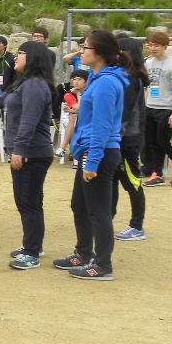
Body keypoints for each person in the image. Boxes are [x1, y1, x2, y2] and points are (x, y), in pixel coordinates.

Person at [0, 40, 57, 270]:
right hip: (28, 151)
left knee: (28, 201)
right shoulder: (24, 83)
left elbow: (29, 121)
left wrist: (19, 150)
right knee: (28, 201)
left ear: (32, 58)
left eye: (21, 53)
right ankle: (32, 245)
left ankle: (32, 252)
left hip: (32, 152)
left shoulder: (34, 85)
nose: (16, 57)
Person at [54, 30, 128, 280]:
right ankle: (83, 252)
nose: (81, 51)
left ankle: (103, 265)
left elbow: (102, 126)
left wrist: (92, 161)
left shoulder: (106, 83)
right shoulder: (97, 78)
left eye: (85, 47)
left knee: (98, 211)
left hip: (100, 152)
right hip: (90, 150)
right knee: (80, 205)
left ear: (99, 52)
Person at [113, 37, 148, 241]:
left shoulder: (131, 78)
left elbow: (123, 113)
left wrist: (114, 134)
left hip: (127, 140)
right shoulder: (124, 76)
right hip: (121, 139)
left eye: (118, 51)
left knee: (132, 182)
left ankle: (137, 226)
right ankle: (107, 219)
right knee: (112, 181)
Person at [141, 31, 172, 186]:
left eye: (156, 45)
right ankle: (156, 174)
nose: (152, 48)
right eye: (150, 45)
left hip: (166, 108)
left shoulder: (170, 64)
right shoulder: (148, 63)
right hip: (150, 106)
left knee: (164, 142)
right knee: (151, 143)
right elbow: (147, 86)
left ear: (165, 46)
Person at [58, 69, 88, 160]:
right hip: (72, 121)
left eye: (79, 79)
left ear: (86, 82)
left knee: (73, 115)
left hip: (87, 118)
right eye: (74, 79)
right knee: (72, 117)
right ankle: (64, 147)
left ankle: (63, 147)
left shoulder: (90, 92)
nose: (76, 82)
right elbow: (80, 108)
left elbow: (83, 110)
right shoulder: (68, 95)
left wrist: (73, 111)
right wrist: (78, 94)